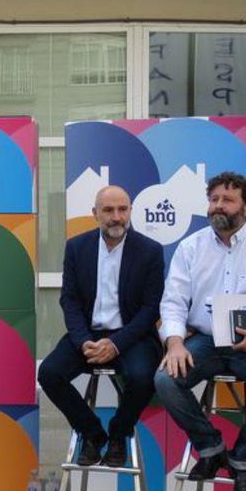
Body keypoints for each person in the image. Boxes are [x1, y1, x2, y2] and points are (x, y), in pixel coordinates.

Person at [153, 172, 246, 491]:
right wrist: (174, 342)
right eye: (213, 199)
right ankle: (210, 447)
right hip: (205, 341)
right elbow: (173, 301)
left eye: (227, 200)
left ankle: (242, 458)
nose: (217, 206)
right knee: (165, 379)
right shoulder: (190, 248)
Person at [37, 185, 164, 468]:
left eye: (122, 209)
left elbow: (151, 308)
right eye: (108, 210)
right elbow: (68, 300)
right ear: (95, 214)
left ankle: (119, 434)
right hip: (88, 335)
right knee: (49, 373)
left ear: (130, 211)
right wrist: (83, 341)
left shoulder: (150, 251)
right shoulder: (76, 247)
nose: (116, 217)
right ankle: (92, 433)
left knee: (144, 377)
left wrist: (116, 343)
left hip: (132, 336)